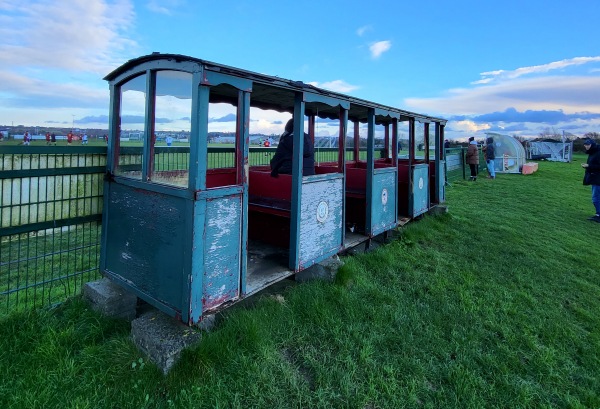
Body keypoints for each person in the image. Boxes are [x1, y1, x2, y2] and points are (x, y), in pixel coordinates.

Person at [582, 138, 600, 223]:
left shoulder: (598, 153)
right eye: (585, 144)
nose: (586, 146)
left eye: (588, 145)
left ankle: (599, 215)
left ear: (592, 145)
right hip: (595, 177)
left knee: (595, 198)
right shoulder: (593, 152)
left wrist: (589, 166)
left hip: (598, 178)